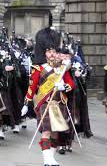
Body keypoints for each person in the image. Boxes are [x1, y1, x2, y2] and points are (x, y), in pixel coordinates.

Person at [21, 27, 75, 166]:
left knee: (55, 133)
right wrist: (26, 104)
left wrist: (64, 86)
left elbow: (71, 83)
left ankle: (51, 158)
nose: (52, 54)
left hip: (59, 103)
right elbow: (32, 87)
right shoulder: (38, 68)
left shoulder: (62, 68)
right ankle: (46, 160)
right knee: (46, 132)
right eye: (49, 51)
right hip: (45, 103)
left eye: (54, 51)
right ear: (44, 52)